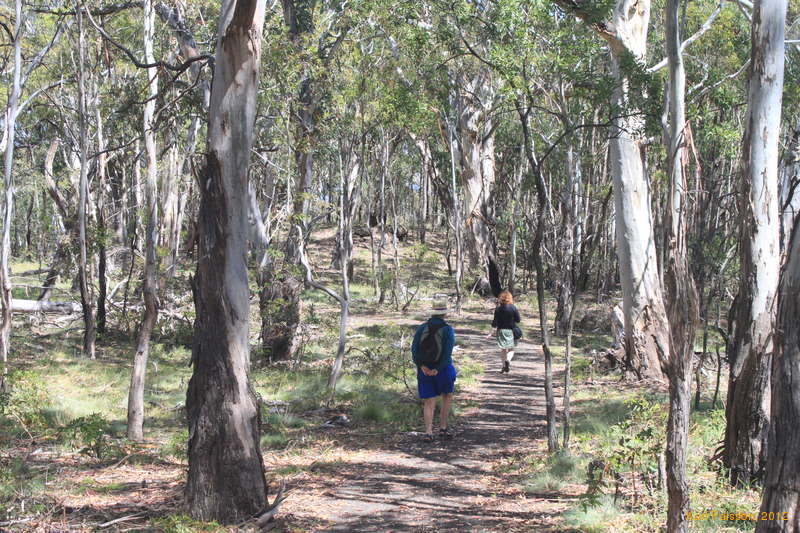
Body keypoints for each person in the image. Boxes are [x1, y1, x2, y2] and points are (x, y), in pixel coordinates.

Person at [411, 298, 457, 441]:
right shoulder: (448, 329)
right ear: (445, 314)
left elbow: (414, 349)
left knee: (429, 401)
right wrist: (437, 369)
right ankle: (443, 428)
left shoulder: (421, 328)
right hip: (443, 369)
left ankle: (428, 432)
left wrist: (422, 366)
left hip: (424, 369)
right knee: (447, 395)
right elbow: (447, 352)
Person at [486, 290, 520, 373]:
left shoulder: (498, 309)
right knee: (511, 349)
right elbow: (518, 320)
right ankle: (508, 360)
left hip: (501, 331)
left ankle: (503, 366)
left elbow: (494, 322)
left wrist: (491, 333)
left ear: (501, 298)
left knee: (503, 349)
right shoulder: (513, 307)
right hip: (511, 331)